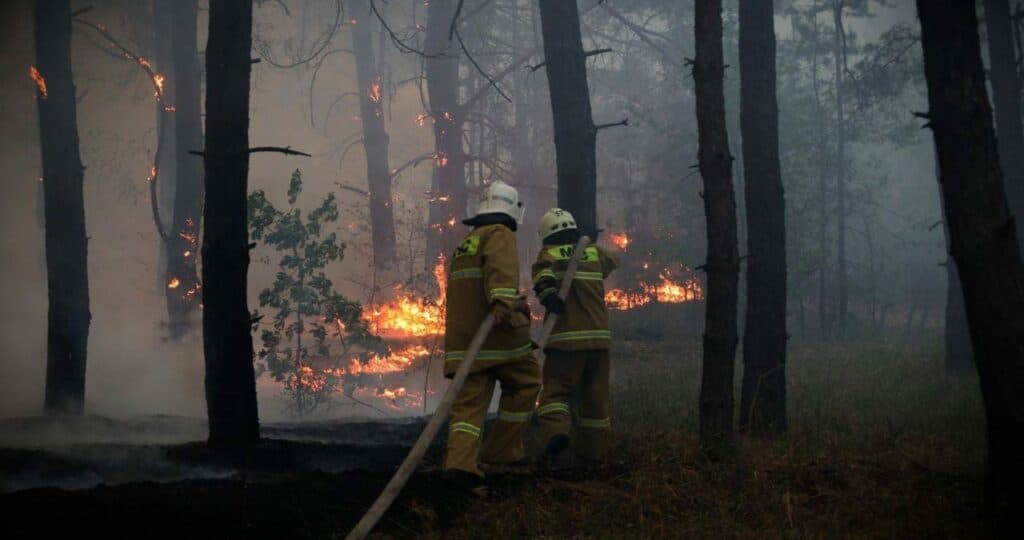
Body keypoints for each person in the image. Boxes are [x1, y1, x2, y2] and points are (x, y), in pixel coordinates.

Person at [442, 180, 540, 492]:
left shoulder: (468, 242)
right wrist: (502, 304)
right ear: (513, 211)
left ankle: (460, 466)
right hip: (495, 335)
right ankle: (502, 451)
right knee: (526, 381)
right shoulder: (500, 233)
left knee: (468, 407)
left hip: (464, 340)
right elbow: (500, 273)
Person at [532, 208, 619, 468]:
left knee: (555, 393)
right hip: (599, 339)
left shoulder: (548, 254)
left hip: (566, 340)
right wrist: (591, 240)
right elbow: (613, 260)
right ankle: (593, 454)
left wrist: (549, 297)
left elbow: (542, 280)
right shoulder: (593, 252)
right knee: (595, 397)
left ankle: (557, 434)